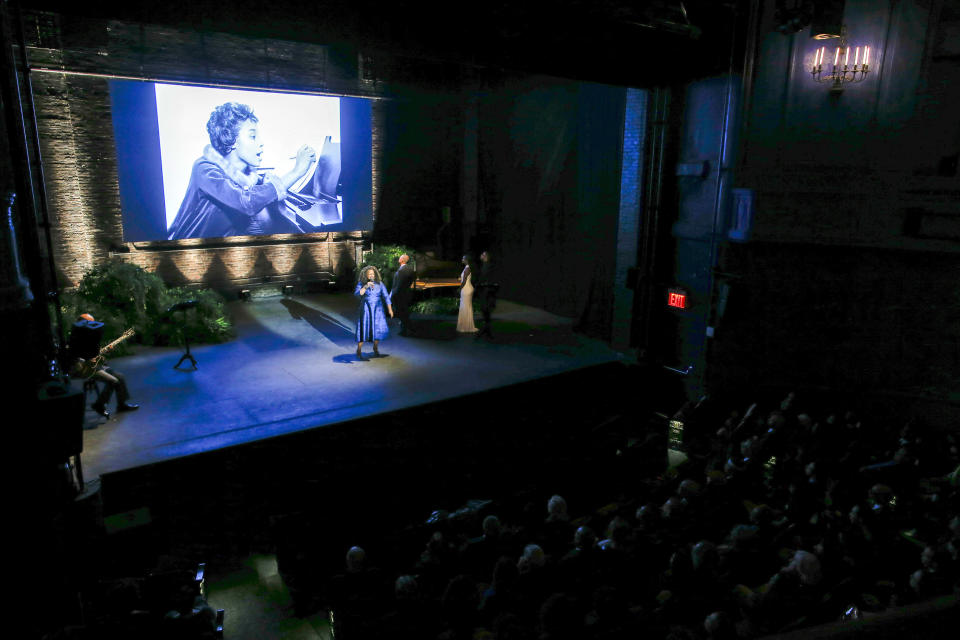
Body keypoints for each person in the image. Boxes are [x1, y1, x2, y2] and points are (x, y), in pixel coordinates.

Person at [167, 102, 316, 240]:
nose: (261, 142)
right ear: (230, 139)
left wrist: (263, 180)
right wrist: (297, 171)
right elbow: (245, 202)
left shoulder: (245, 172)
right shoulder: (204, 168)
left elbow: (246, 184)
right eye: (253, 136)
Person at [68, 313, 139, 419]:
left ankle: (121, 405)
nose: (93, 325)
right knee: (113, 381)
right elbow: (73, 358)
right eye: (90, 323)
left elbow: (96, 355)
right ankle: (99, 405)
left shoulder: (92, 336)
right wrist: (87, 360)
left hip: (96, 366)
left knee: (120, 377)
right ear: (81, 323)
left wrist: (106, 352)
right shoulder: (74, 338)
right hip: (84, 369)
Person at [355, 266, 393, 359]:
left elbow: (386, 296)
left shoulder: (380, 284)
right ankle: (359, 349)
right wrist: (365, 286)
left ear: (375, 274)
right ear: (366, 275)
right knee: (363, 329)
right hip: (366, 309)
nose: (371, 275)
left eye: (373, 274)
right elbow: (357, 294)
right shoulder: (362, 283)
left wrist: (390, 309)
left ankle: (375, 348)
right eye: (369, 274)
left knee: (377, 329)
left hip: (378, 310)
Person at [474, 250, 499, 339]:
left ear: (487, 257)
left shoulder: (489, 266)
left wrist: (481, 285)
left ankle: (486, 330)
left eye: (483, 254)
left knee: (486, 310)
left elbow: (488, 279)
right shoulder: (484, 266)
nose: (481, 255)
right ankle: (487, 330)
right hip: (485, 292)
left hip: (487, 293)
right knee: (485, 312)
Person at [390, 253, 416, 336]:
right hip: (406, 293)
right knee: (404, 312)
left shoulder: (401, 271)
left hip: (399, 294)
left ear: (402, 260)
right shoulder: (410, 270)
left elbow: (398, 285)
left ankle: (408, 329)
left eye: (400, 258)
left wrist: (393, 294)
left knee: (401, 313)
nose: (399, 259)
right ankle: (407, 329)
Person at [456, 254, 478, 334]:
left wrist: (459, 288)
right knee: (465, 307)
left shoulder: (467, 269)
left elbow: (464, 281)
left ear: (466, 260)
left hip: (466, 289)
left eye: (463, 258)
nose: (462, 259)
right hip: (466, 289)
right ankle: (466, 325)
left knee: (465, 307)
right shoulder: (466, 268)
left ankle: (466, 326)